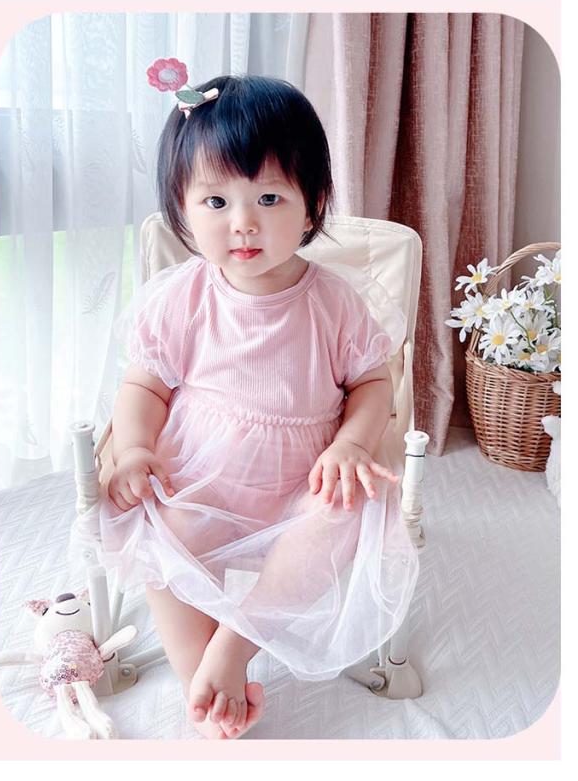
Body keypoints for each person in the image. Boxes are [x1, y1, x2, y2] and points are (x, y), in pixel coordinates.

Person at [73, 73, 418, 740]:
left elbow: (372, 385)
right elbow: (145, 386)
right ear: (182, 209)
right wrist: (136, 447)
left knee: (340, 516)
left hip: (302, 475)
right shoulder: (182, 296)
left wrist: (350, 444)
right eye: (215, 200)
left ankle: (233, 644)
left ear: (313, 205)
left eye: (268, 197)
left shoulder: (333, 302)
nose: (243, 222)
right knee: (160, 528)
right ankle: (200, 681)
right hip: (200, 473)